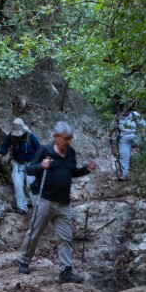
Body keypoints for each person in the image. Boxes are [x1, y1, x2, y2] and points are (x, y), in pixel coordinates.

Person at [18, 121, 97, 283]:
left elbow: (72, 172)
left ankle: (66, 271)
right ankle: (24, 261)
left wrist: (86, 170)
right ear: (55, 137)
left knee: (66, 237)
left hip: (63, 203)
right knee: (34, 232)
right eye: (65, 138)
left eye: (70, 139)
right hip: (45, 200)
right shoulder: (45, 151)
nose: (68, 142)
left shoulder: (71, 153)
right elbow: (29, 168)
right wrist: (41, 165)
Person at [0, 117, 42, 215]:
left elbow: (39, 150)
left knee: (31, 186)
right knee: (17, 184)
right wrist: (1, 153)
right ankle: (22, 207)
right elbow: (4, 145)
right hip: (18, 164)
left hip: (31, 165)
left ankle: (37, 209)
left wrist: (39, 165)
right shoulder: (12, 136)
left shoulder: (31, 136)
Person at [108, 103, 146, 180]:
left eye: (125, 111)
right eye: (122, 111)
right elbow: (112, 127)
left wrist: (143, 134)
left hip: (135, 135)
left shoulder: (134, 114)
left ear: (129, 110)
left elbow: (143, 124)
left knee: (143, 144)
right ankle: (125, 175)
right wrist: (109, 136)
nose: (124, 113)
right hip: (124, 138)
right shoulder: (118, 117)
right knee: (123, 154)